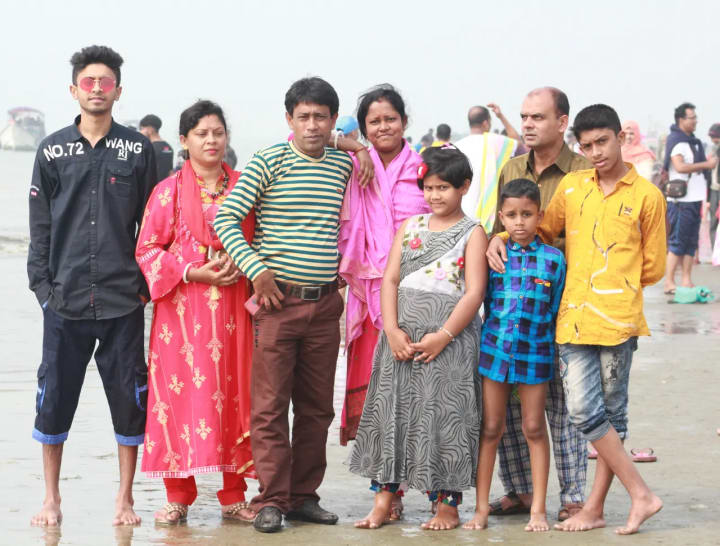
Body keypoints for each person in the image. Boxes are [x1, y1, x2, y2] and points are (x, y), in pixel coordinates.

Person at [487, 103, 666, 535]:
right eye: (587, 146)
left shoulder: (647, 197)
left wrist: (615, 284)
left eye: (603, 142)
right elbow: (543, 231)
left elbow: (654, 267)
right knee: (585, 410)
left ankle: (595, 507)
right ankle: (641, 493)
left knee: (613, 417)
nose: (596, 152)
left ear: (621, 138)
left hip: (619, 321)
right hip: (572, 318)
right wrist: (498, 237)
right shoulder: (573, 187)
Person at [214, 77, 365, 533]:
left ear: (333, 120)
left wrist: (356, 148)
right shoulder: (269, 160)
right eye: (304, 117)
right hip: (277, 302)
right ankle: (272, 500)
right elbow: (226, 217)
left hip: (326, 305)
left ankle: (303, 497)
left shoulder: (342, 164)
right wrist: (255, 269)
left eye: (321, 117)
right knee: (270, 407)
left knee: (317, 409)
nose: (312, 125)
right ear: (289, 119)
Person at [27, 45, 157, 527]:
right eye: (89, 81)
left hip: (124, 300)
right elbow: (40, 226)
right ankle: (50, 498)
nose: (97, 88)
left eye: (106, 82)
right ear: (74, 90)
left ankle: (125, 499)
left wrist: (145, 287)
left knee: (130, 399)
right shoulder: (52, 149)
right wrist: (43, 290)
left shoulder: (138, 150)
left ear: (118, 91)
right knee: (54, 397)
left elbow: (154, 223)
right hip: (64, 300)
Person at [349, 146, 488, 531]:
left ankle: (446, 505)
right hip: (401, 341)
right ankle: (383, 500)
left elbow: (474, 292)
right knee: (392, 414)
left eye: (443, 187)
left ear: (464, 187)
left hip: (450, 344)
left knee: (445, 417)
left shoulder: (473, 232)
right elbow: (390, 279)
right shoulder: (410, 226)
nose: (434, 195)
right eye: (428, 187)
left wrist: (443, 336)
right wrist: (392, 330)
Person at [135, 100, 256, 524]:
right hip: (181, 317)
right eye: (202, 134)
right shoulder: (166, 192)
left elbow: (264, 239)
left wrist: (246, 262)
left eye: (218, 132)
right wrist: (190, 270)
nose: (211, 140)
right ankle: (178, 496)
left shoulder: (245, 188)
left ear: (227, 137)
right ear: (184, 141)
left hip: (234, 312)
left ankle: (234, 496)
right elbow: (147, 249)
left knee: (235, 397)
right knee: (177, 399)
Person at [488, 87, 590, 522]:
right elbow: (498, 224)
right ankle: (520, 490)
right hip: (516, 306)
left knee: (565, 407)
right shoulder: (512, 167)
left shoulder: (583, 170)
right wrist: (496, 237)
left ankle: (573, 496)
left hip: (568, 298)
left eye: (537, 117)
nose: (527, 124)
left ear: (562, 122)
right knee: (512, 412)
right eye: (524, 117)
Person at [337, 84, 430, 520]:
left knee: (414, 397)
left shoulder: (424, 168)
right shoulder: (353, 163)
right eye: (373, 122)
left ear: (405, 122)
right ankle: (387, 492)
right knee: (379, 399)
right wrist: (356, 148)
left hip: (416, 297)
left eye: (390, 118)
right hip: (368, 298)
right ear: (363, 128)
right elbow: (304, 136)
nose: (383, 127)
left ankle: (412, 489)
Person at [465, 178, 565, 532]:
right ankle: (480, 509)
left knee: (534, 428)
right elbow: (483, 300)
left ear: (540, 216)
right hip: (495, 352)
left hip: (536, 354)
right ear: (501, 217)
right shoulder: (494, 256)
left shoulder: (554, 260)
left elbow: (555, 309)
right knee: (491, 428)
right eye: (511, 215)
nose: (519, 222)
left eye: (527, 214)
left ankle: (538, 509)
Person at [662, 103, 717, 294]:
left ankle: (686, 280)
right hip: (680, 201)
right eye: (691, 118)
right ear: (681, 120)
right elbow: (680, 167)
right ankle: (669, 282)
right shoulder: (676, 141)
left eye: (695, 117)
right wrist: (706, 165)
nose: (695, 121)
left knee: (691, 242)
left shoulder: (693, 142)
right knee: (677, 241)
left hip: (695, 198)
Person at [456, 105, 520, 231]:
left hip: (461, 214)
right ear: (486, 123)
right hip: (490, 217)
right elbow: (518, 144)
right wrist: (501, 116)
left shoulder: (456, 146)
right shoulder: (497, 143)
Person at [139, 114, 174, 180]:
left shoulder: (148, 147)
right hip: (165, 185)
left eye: (142, 129)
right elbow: (170, 172)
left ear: (150, 129)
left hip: (152, 185)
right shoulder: (168, 147)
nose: (140, 132)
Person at [708, 123, 720, 245]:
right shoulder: (713, 151)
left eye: (715, 137)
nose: (713, 140)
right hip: (713, 190)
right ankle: (715, 251)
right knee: (713, 222)